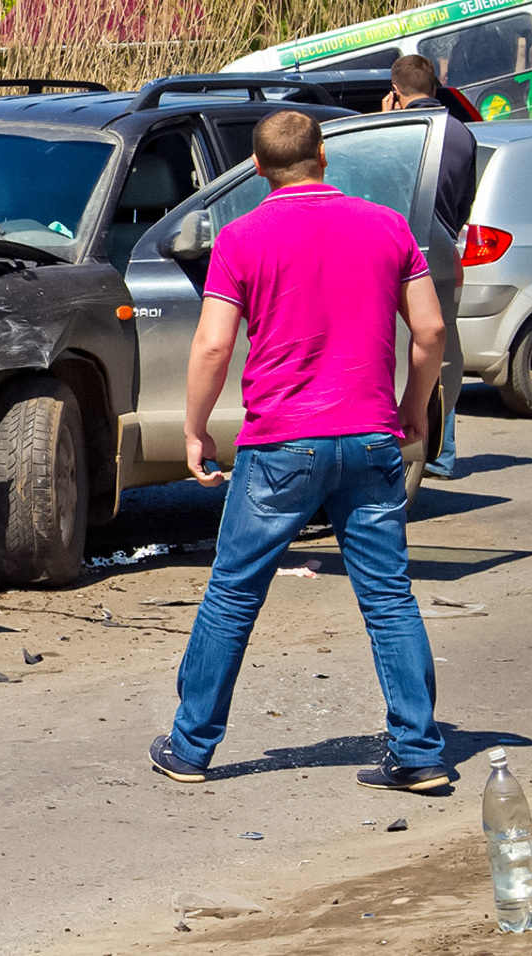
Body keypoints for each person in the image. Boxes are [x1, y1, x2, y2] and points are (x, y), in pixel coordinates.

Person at [149, 110, 450, 792]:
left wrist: (195, 429)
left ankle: (191, 748)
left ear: (257, 169)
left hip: (280, 445)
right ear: (323, 156)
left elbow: (214, 345)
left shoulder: (242, 237)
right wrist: (412, 407)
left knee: (232, 595)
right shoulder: (387, 226)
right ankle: (420, 751)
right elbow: (429, 330)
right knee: (389, 598)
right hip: (371, 439)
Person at [384, 54, 477, 478]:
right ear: (435, 88)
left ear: (396, 92)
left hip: (397, 249)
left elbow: (384, 183)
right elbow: (464, 202)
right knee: (440, 346)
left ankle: (413, 445)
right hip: (440, 250)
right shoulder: (461, 133)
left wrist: (384, 122)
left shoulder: (401, 131)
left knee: (401, 345)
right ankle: (441, 451)